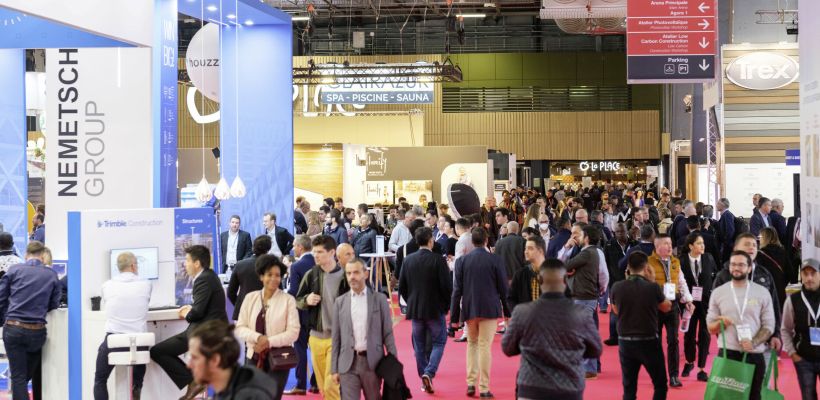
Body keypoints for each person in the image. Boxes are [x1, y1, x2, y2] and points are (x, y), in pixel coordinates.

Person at [502, 258, 601, 400]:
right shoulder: (580, 313)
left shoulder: (522, 311)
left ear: (540, 280)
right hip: (570, 387)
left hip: (532, 386)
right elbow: (596, 348)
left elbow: (508, 347)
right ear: (565, 281)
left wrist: (526, 345)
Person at [151, 245, 228, 400]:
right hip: (207, 329)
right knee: (160, 350)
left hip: (205, 332)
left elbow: (197, 313)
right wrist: (192, 308)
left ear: (197, 263)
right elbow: (203, 305)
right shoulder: (207, 276)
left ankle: (194, 381)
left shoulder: (204, 279)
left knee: (157, 351)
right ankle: (193, 381)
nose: (184, 264)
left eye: (187, 260)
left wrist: (187, 312)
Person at [707, 251, 776, 400]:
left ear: (750, 268)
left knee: (754, 396)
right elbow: (710, 327)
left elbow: (769, 324)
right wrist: (720, 324)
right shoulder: (719, 292)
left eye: (741, 264)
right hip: (727, 353)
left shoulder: (762, 292)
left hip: (755, 354)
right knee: (726, 397)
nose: (736, 268)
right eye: (733, 264)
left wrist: (754, 342)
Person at [450, 227, 510, 398]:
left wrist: (454, 319)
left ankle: (470, 383)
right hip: (490, 308)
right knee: (484, 346)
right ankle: (483, 387)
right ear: (486, 241)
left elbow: (456, 291)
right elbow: (503, 289)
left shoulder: (461, 261)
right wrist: (508, 312)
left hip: (470, 308)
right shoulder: (495, 260)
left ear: (472, 241)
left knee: (472, 344)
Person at [0, 241, 61, 400]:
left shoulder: (14, 270)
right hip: (37, 332)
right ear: (42, 255)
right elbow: (54, 304)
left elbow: (1, 297)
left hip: (13, 328)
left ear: (26, 255)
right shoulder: (52, 275)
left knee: (19, 377)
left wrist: (7, 315)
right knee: (26, 374)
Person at [331, 258, 398, 400]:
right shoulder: (340, 302)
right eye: (348, 273)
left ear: (365, 274)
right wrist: (334, 368)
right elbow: (336, 338)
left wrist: (394, 365)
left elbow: (388, 334)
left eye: (355, 272)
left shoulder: (379, 300)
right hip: (347, 364)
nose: (352, 277)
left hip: (372, 363)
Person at [234, 255, 299, 399]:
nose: (274, 279)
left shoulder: (288, 300)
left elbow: (293, 332)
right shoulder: (250, 298)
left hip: (280, 358)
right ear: (261, 276)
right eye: (269, 274)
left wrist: (269, 342)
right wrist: (258, 338)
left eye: (277, 275)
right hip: (254, 356)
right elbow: (240, 327)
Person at [611, 251, 672, 400]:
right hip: (648, 341)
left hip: (625, 342)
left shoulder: (617, 287)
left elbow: (616, 310)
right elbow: (667, 307)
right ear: (646, 268)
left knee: (629, 387)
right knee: (660, 384)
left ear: (628, 268)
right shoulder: (652, 287)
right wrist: (652, 281)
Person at [295, 236, 349, 400]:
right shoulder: (311, 275)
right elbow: (298, 299)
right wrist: (306, 300)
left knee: (330, 384)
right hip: (316, 337)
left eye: (319, 252)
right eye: (314, 252)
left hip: (338, 339)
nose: (315, 256)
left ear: (332, 252)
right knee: (324, 387)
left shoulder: (346, 277)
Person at [398, 227, 452, 393]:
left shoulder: (408, 260)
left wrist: (411, 302)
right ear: (431, 241)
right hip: (435, 308)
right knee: (439, 341)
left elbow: (402, 287)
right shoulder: (438, 260)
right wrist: (445, 306)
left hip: (415, 309)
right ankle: (429, 372)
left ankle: (424, 376)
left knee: (419, 346)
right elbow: (447, 287)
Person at [712, 233, 782, 358]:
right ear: (735, 249)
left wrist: (776, 334)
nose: (752, 248)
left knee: (759, 376)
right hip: (731, 345)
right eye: (747, 244)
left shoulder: (764, 275)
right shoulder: (723, 276)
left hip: (760, 343)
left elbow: (774, 307)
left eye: (755, 245)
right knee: (732, 377)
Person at [94, 252, 152, 400]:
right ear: (133, 266)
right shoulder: (146, 284)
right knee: (139, 354)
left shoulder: (107, 286)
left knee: (100, 380)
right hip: (140, 345)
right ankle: (137, 385)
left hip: (115, 343)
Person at [647, 234, 694, 388]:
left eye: (670, 243)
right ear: (657, 246)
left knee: (673, 341)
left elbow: (682, 282)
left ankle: (673, 375)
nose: (669, 246)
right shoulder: (648, 263)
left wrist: (688, 300)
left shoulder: (675, 261)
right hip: (656, 307)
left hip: (673, 306)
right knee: (656, 342)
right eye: (665, 243)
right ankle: (658, 375)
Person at [186, 320, 277, 399]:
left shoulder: (250, 395)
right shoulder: (227, 386)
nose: (188, 365)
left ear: (215, 360)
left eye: (194, 358)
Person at [561, 224, 604, 378]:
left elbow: (564, 265)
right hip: (586, 296)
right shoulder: (592, 253)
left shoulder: (586, 253)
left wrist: (569, 268)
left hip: (584, 297)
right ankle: (587, 366)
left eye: (580, 234)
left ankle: (590, 368)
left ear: (586, 237)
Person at [679, 232, 717, 382]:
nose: (702, 246)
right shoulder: (681, 261)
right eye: (699, 243)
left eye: (703, 243)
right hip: (688, 303)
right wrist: (684, 300)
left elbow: (715, 276)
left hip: (706, 302)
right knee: (689, 334)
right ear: (690, 246)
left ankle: (702, 368)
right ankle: (689, 362)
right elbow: (680, 283)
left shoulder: (708, 258)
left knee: (705, 334)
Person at [782, 259, 820, 400]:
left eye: (813, 273)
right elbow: (785, 329)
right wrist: (792, 353)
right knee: (808, 396)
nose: (809, 278)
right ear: (801, 276)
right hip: (804, 359)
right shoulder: (793, 300)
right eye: (805, 274)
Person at [285, 235, 317, 395]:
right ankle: (316, 383)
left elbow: (295, 292)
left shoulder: (297, 266)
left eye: (294, 245)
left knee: (300, 348)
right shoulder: (318, 262)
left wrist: (283, 294)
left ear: (300, 247)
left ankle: (301, 384)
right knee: (317, 347)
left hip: (301, 311)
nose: (292, 248)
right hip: (318, 312)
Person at [603, 223, 636, 346]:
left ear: (626, 230)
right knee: (614, 311)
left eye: (622, 231)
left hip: (632, 282)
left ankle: (632, 335)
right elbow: (605, 264)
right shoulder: (609, 245)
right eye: (617, 232)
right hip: (615, 282)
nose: (620, 234)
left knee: (633, 309)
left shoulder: (634, 244)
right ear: (614, 232)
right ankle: (614, 336)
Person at [227, 235, 271, 321]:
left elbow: (230, 292)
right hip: (266, 311)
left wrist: (239, 305)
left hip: (243, 311)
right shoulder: (272, 266)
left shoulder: (240, 264)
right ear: (268, 249)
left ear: (253, 247)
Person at [757, 226, 795, 310]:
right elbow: (791, 273)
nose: (759, 239)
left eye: (760, 237)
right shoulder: (782, 251)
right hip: (780, 290)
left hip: (765, 290)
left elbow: (758, 274)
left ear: (765, 238)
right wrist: (781, 282)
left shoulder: (760, 254)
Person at [508, 235, 547, 310]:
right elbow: (511, 298)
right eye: (525, 248)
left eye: (530, 248)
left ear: (540, 251)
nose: (525, 251)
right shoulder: (520, 274)